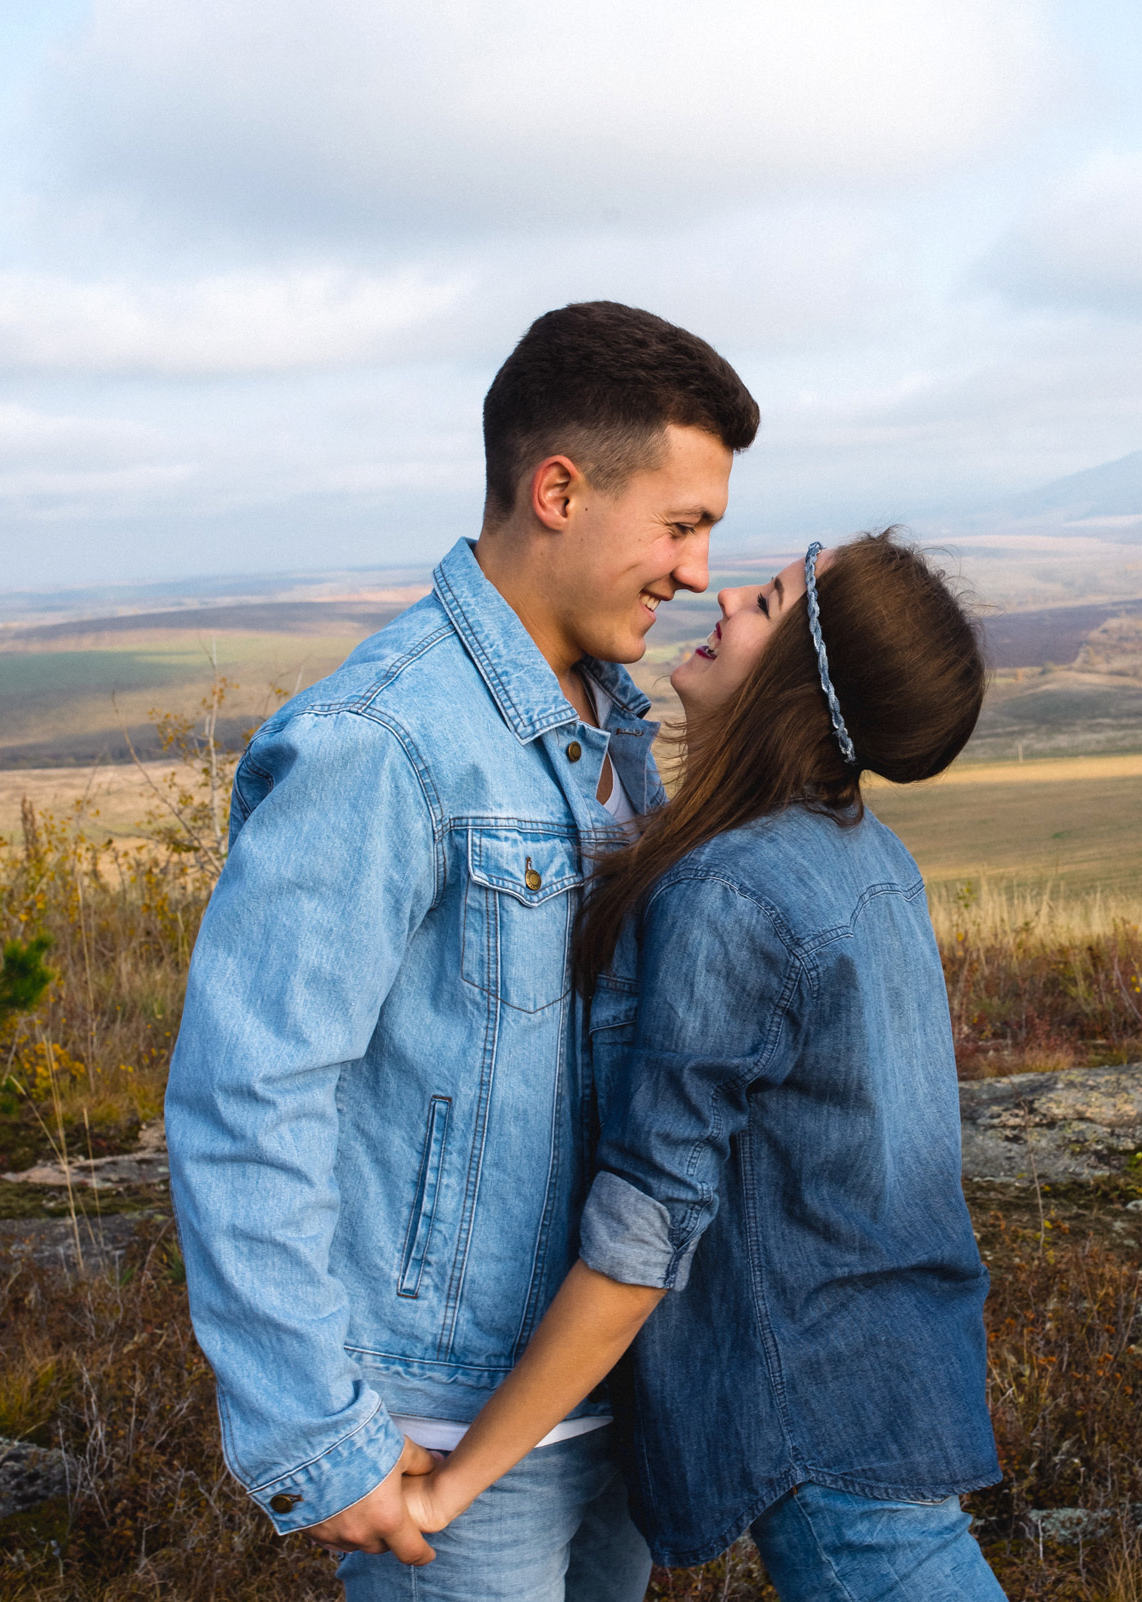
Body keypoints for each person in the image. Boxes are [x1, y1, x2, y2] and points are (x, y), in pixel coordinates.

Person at [164, 301, 759, 1601]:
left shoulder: (615, 729)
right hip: (438, 1433)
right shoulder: (382, 741)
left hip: (612, 1403)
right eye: (680, 522)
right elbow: (247, 1093)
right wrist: (320, 1434)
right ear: (558, 488)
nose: (701, 571)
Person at [397, 531, 1007, 1602]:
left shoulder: (730, 894)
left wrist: (456, 1488)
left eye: (766, 603)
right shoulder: (868, 856)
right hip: (906, 1377)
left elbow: (643, 1236)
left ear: (797, 687)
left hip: (820, 1412)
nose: (722, 597)